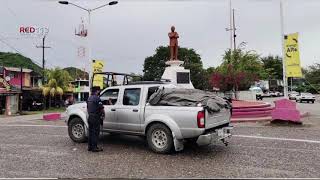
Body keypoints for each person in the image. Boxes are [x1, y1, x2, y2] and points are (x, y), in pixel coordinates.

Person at [87, 86, 104, 152]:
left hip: (90, 117)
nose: (99, 92)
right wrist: (103, 114)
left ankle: (90, 147)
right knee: (95, 132)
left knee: (91, 132)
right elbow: (101, 108)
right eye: (99, 90)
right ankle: (95, 147)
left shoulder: (89, 98)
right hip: (95, 117)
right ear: (97, 91)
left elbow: (88, 108)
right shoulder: (97, 98)